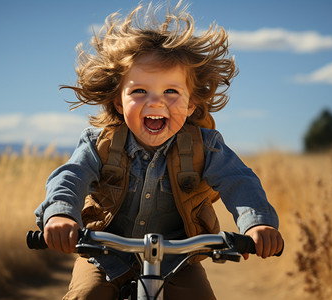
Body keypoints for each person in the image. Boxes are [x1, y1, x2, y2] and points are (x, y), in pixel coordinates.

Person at [34, 2, 283, 299]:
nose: (155, 103)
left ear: (191, 104)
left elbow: (239, 181)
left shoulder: (206, 146)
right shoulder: (99, 144)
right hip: (104, 257)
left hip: (178, 262)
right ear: (118, 102)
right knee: (87, 295)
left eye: (171, 91)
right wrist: (61, 216)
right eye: (139, 91)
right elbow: (69, 177)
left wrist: (259, 223)